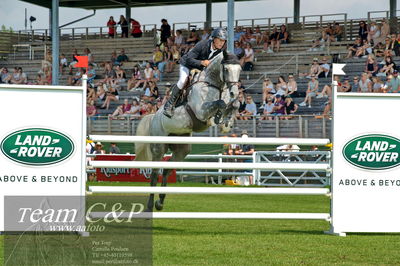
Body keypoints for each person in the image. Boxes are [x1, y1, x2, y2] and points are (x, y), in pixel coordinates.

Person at [163, 27, 228, 118]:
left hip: (201, 69)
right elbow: (189, 58)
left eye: (224, 41)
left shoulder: (220, 52)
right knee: (183, 80)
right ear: (214, 39)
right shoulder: (202, 44)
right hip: (187, 65)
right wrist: (201, 62)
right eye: (220, 40)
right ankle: (169, 105)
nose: (222, 43)